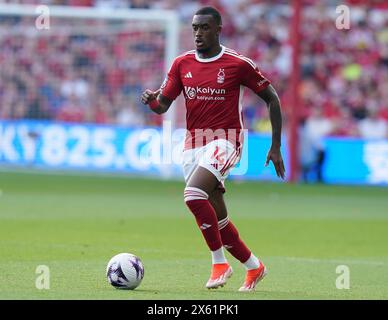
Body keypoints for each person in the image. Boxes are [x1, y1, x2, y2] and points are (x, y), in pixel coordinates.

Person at [141, 7, 285, 292]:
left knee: (193, 196)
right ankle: (255, 267)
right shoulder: (181, 64)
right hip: (193, 145)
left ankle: (219, 263)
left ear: (218, 29)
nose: (198, 33)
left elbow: (272, 99)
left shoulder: (237, 64)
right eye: (195, 28)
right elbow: (163, 106)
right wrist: (151, 102)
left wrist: (276, 145)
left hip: (226, 140)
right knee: (219, 220)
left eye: (204, 28)